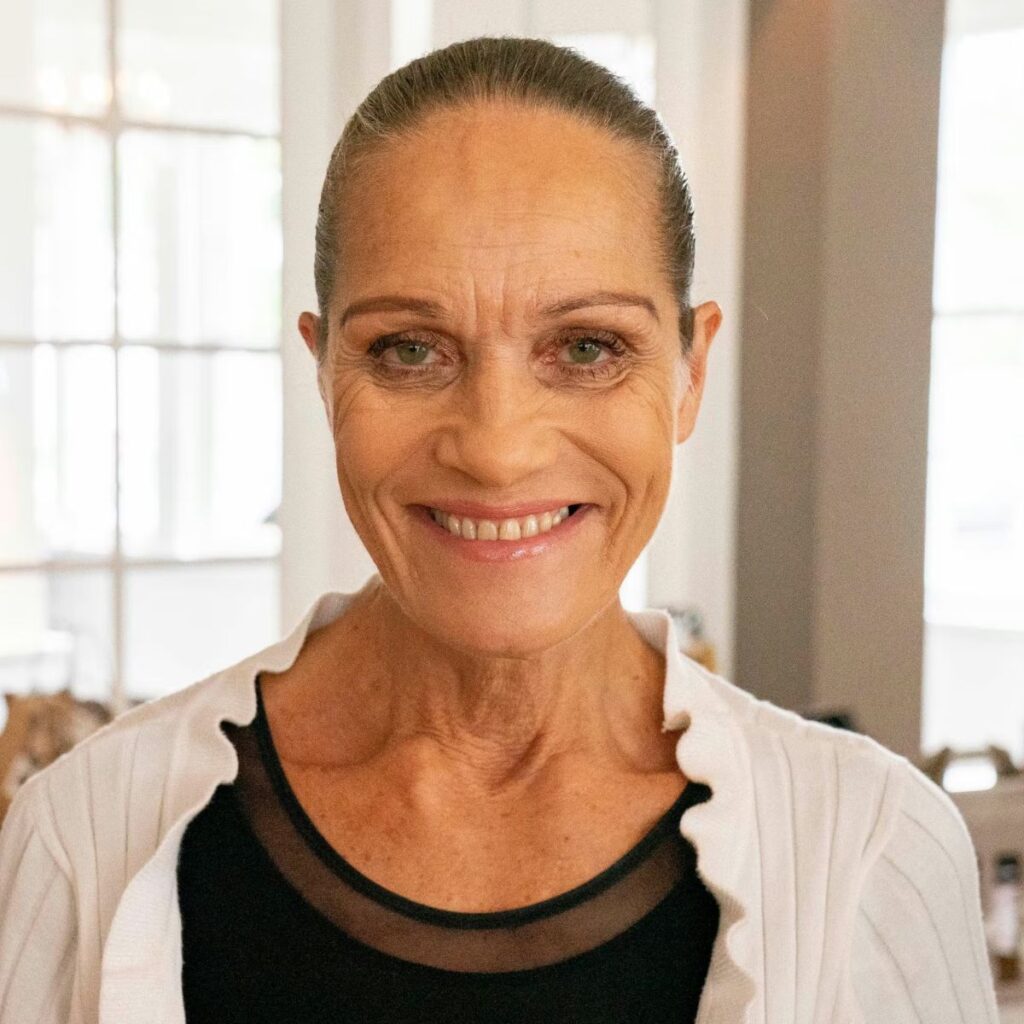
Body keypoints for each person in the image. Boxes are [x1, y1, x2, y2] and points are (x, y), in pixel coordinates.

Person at [0, 37, 999, 1024]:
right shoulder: (84, 841)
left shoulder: (869, 850)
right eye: (409, 350)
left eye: (588, 347)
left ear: (691, 372)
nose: (496, 450)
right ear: (322, 372)